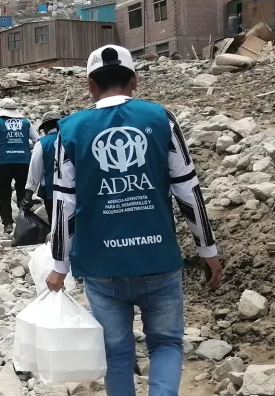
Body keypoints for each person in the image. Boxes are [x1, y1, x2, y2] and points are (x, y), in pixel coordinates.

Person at [46, 45, 223, 396]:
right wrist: (208, 249)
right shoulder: (161, 118)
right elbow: (188, 190)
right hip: (158, 259)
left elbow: (64, 204)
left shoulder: (70, 130)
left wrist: (59, 266)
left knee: (116, 353)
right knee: (167, 344)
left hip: (100, 267)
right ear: (135, 81)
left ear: (89, 86)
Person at [0, 98, 39, 233]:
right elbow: (37, 140)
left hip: (4, 162)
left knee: (4, 192)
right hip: (24, 161)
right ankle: (24, 220)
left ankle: (8, 223)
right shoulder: (26, 122)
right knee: (22, 190)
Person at [22, 111, 62, 223]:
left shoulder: (42, 143)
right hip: (73, 190)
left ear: (45, 127)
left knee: (54, 222)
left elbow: (35, 169)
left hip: (51, 191)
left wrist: (29, 193)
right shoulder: (71, 139)